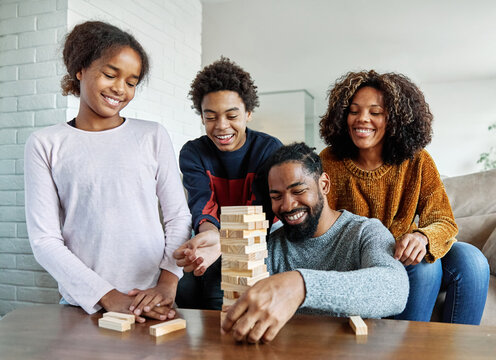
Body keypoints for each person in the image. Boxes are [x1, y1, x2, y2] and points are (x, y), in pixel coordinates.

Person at [24, 21, 192, 322]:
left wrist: (168, 284)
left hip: (153, 303)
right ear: (80, 69)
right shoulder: (45, 144)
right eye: (110, 74)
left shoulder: (152, 136)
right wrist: (107, 296)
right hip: (82, 305)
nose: (120, 89)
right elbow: (45, 240)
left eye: (131, 82)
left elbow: (178, 216)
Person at [319, 70, 489, 324]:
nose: (361, 119)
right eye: (353, 111)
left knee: (473, 260)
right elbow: (323, 230)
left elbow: (444, 220)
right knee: (424, 266)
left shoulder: (417, 160)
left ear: (395, 119)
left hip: (406, 249)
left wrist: (422, 236)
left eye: (375, 112)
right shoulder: (328, 162)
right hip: (364, 258)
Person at [216, 142, 408, 343]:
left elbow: (396, 289)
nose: (287, 205)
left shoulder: (365, 232)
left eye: (298, 190)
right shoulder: (269, 241)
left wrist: (301, 285)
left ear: (323, 185)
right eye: (277, 196)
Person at [174, 57, 282, 310]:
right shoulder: (193, 153)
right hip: (214, 233)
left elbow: (261, 210)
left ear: (248, 113)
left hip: (259, 237)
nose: (221, 126)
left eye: (231, 115)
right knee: (185, 288)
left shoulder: (268, 149)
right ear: (201, 117)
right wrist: (211, 236)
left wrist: (224, 245)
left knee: (219, 290)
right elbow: (202, 202)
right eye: (210, 117)